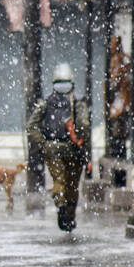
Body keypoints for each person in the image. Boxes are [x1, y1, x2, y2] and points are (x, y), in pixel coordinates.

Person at [27, 63, 91, 231]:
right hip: (73, 149)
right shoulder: (78, 102)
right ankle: (69, 216)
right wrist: (83, 147)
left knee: (58, 181)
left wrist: (43, 143)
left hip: (52, 149)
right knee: (72, 184)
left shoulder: (46, 102)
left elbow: (32, 125)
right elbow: (85, 126)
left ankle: (60, 204)